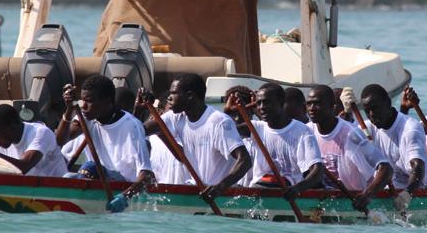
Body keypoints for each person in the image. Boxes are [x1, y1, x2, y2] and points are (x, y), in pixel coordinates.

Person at [141, 73, 252, 202]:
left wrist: (220, 187)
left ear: (189, 95)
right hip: (195, 190)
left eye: (174, 93)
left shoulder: (219, 122)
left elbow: (245, 160)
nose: (169, 99)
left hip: (221, 196)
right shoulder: (176, 117)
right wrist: (138, 109)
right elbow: (141, 130)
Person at [59, 75, 155, 211]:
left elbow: (147, 176)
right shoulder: (87, 117)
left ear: (107, 101)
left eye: (89, 101)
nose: (84, 106)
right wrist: (69, 110)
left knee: (90, 167)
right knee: (67, 177)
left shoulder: (132, 126)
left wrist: (125, 197)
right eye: (81, 101)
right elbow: (60, 140)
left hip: (122, 187)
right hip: (97, 180)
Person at [305, 85, 392, 213]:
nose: (311, 109)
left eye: (317, 104)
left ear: (332, 106)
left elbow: (385, 168)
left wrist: (367, 195)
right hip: (323, 196)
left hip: (353, 199)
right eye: (309, 104)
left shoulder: (351, 135)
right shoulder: (307, 131)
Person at [245, 82, 325, 200]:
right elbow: (226, 130)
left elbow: (318, 171)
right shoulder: (255, 128)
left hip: (289, 193)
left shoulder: (302, 131)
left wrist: (298, 189)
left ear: (281, 102)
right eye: (258, 103)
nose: (261, 107)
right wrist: (228, 112)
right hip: (259, 191)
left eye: (266, 102)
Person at [359, 84, 427, 207]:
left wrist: (406, 194)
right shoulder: (368, 128)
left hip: (414, 192)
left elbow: (418, 167)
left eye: (375, 108)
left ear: (388, 103)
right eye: (367, 111)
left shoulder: (411, 129)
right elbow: (346, 135)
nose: (371, 115)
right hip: (384, 190)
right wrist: (347, 114)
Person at [0, 104, 65, 176]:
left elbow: (23, 168)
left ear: (13, 128)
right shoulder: (4, 142)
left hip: (58, 191)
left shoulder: (40, 133)